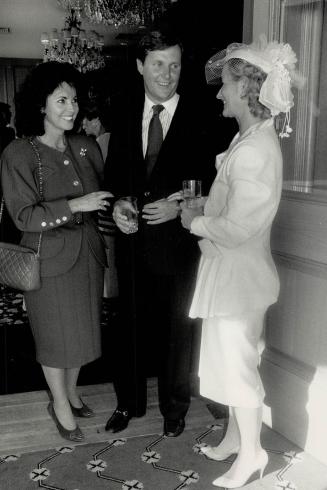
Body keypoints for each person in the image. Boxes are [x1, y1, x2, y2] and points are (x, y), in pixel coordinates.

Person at [180, 37, 299, 487]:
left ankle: (252, 455)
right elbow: (233, 204)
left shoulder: (254, 149)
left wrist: (194, 221)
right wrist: (200, 204)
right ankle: (235, 437)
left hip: (241, 280)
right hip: (232, 277)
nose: (219, 93)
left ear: (249, 90)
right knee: (231, 364)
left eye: (225, 85)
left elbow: (237, 227)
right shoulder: (247, 139)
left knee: (239, 367)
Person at [103, 28, 215, 437]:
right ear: (140, 66)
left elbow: (216, 182)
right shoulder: (123, 108)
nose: (167, 75)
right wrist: (118, 204)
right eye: (157, 65)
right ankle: (128, 403)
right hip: (132, 241)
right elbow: (114, 173)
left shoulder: (203, 115)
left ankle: (175, 409)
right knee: (128, 325)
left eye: (174, 65)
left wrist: (179, 205)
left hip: (179, 244)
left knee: (176, 329)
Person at [1, 61, 112, 442]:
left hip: (88, 256)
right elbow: (23, 215)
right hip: (47, 261)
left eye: (75, 99)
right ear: (41, 104)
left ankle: (72, 392)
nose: (71, 107)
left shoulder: (86, 146)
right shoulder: (19, 152)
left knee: (82, 333)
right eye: (61, 99)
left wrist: (119, 208)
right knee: (53, 337)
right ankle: (60, 404)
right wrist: (74, 206)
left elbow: (104, 197)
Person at [81, 96, 118, 299]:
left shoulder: (102, 141)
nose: (83, 124)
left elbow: (99, 176)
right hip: (109, 202)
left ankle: (109, 293)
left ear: (97, 120)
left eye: (87, 119)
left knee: (108, 248)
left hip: (105, 203)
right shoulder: (104, 140)